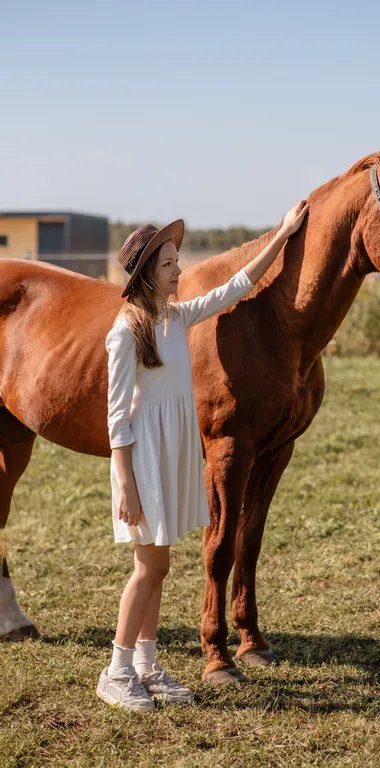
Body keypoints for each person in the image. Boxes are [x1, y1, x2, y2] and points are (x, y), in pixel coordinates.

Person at [96, 199, 309, 712]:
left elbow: (235, 287)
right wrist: (125, 481)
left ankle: (146, 664)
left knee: (160, 565)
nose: (179, 271)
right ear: (148, 272)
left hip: (170, 452)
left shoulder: (174, 316)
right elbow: (116, 414)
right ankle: (117, 670)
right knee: (146, 568)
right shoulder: (126, 332)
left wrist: (280, 236)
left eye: (177, 262)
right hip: (142, 459)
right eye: (169, 264)